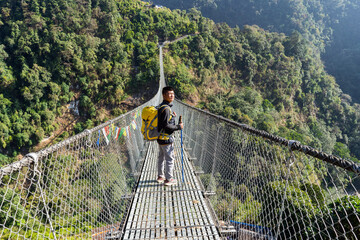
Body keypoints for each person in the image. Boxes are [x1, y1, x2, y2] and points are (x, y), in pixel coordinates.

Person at [157, 86, 183, 186]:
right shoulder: (167, 109)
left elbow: (163, 120)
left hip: (160, 138)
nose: (172, 95)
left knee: (161, 157)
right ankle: (169, 179)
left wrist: (172, 116)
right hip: (166, 139)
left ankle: (160, 176)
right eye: (169, 94)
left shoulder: (162, 106)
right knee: (169, 159)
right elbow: (166, 126)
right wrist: (178, 127)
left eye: (173, 94)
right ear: (164, 95)